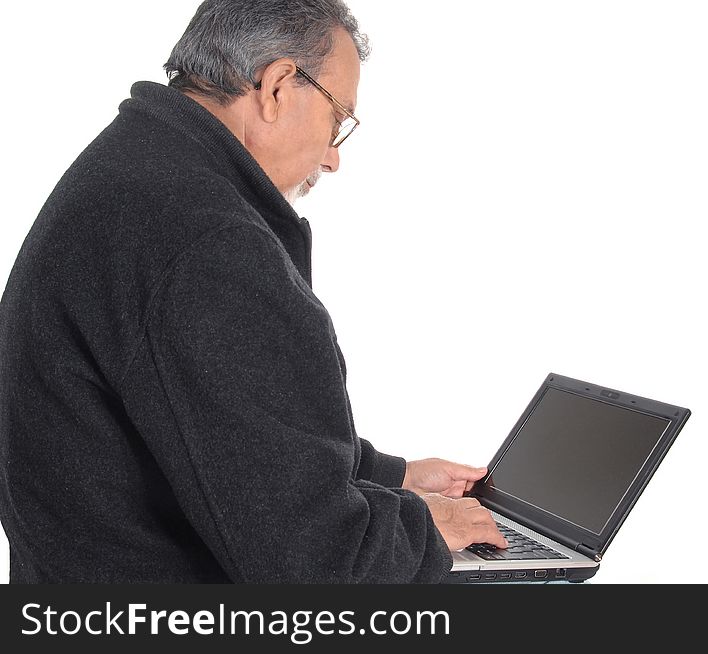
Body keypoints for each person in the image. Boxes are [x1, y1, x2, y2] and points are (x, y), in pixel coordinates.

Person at [0, 0, 507, 583]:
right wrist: (424, 528)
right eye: (338, 120)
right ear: (277, 86)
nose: (333, 157)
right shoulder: (205, 239)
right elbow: (315, 567)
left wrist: (389, 478)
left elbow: (207, 430)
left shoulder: (129, 174)